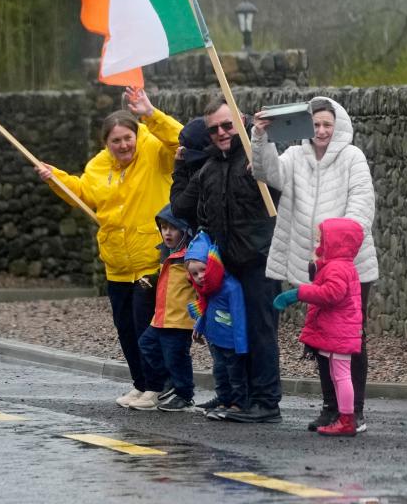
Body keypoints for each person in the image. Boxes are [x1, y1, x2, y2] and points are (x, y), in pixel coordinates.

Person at [36, 87, 182, 408]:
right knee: (126, 330)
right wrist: (54, 177)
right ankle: (141, 383)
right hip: (116, 265)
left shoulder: (156, 153)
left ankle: (158, 388)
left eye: (127, 138)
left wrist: (150, 113)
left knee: (148, 330)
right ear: (106, 143)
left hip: (149, 260)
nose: (123, 145)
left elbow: (179, 139)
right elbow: (83, 194)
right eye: (115, 141)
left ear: (136, 134)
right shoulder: (98, 167)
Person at [251, 96, 377, 432]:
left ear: (338, 127)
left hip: (352, 267)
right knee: (323, 337)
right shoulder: (294, 156)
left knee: (351, 338)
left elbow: (362, 208)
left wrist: (339, 250)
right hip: (314, 264)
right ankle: (330, 407)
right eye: (316, 124)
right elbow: (266, 172)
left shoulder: (353, 158)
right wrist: (260, 137)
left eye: (327, 125)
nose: (321, 131)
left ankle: (354, 410)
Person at [172, 98, 281, 423]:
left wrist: (261, 145)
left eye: (226, 125)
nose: (220, 133)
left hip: (259, 262)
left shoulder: (256, 160)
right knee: (229, 333)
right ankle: (236, 397)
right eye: (214, 129)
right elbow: (181, 208)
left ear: (241, 121)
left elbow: (280, 177)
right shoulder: (208, 168)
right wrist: (180, 168)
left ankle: (265, 402)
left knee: (261, 333)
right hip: (226, 268)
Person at [274, 218, 365, 437]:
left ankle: (346, 420)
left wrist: (297, 293)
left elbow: (330, 294)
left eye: (321, 240)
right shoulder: (341, 266)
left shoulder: (337, 268)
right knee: (338, 375)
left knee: (342, 376)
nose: (318, 245)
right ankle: (344, 418)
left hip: (338, 331)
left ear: (334, 243)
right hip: (339, 330)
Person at [131, 204, 198, 412]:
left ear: (185, 231)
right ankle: (169, 383)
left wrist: (200, 317)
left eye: (173, 228)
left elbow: (199, 286)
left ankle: (185, 394)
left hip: (179, 320)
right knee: (146, 344)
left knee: (176, 357)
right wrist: (153, 279)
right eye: (163, 227)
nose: (167, 232)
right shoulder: (168, 254)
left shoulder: (189, 257)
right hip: (161, 317)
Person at [184, 231, 248, 421]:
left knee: (235, 374)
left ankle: (238, 404)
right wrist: (199, 326)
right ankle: (224, 401)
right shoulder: (209, 289)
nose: (200, 276)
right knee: (220, 372)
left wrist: (241, 345)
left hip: (232, 343)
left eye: (203, 269)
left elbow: (239, 317)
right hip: (216, 341)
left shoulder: (231, 287)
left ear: (212, 264)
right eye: (194, 274)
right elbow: (208, 311)